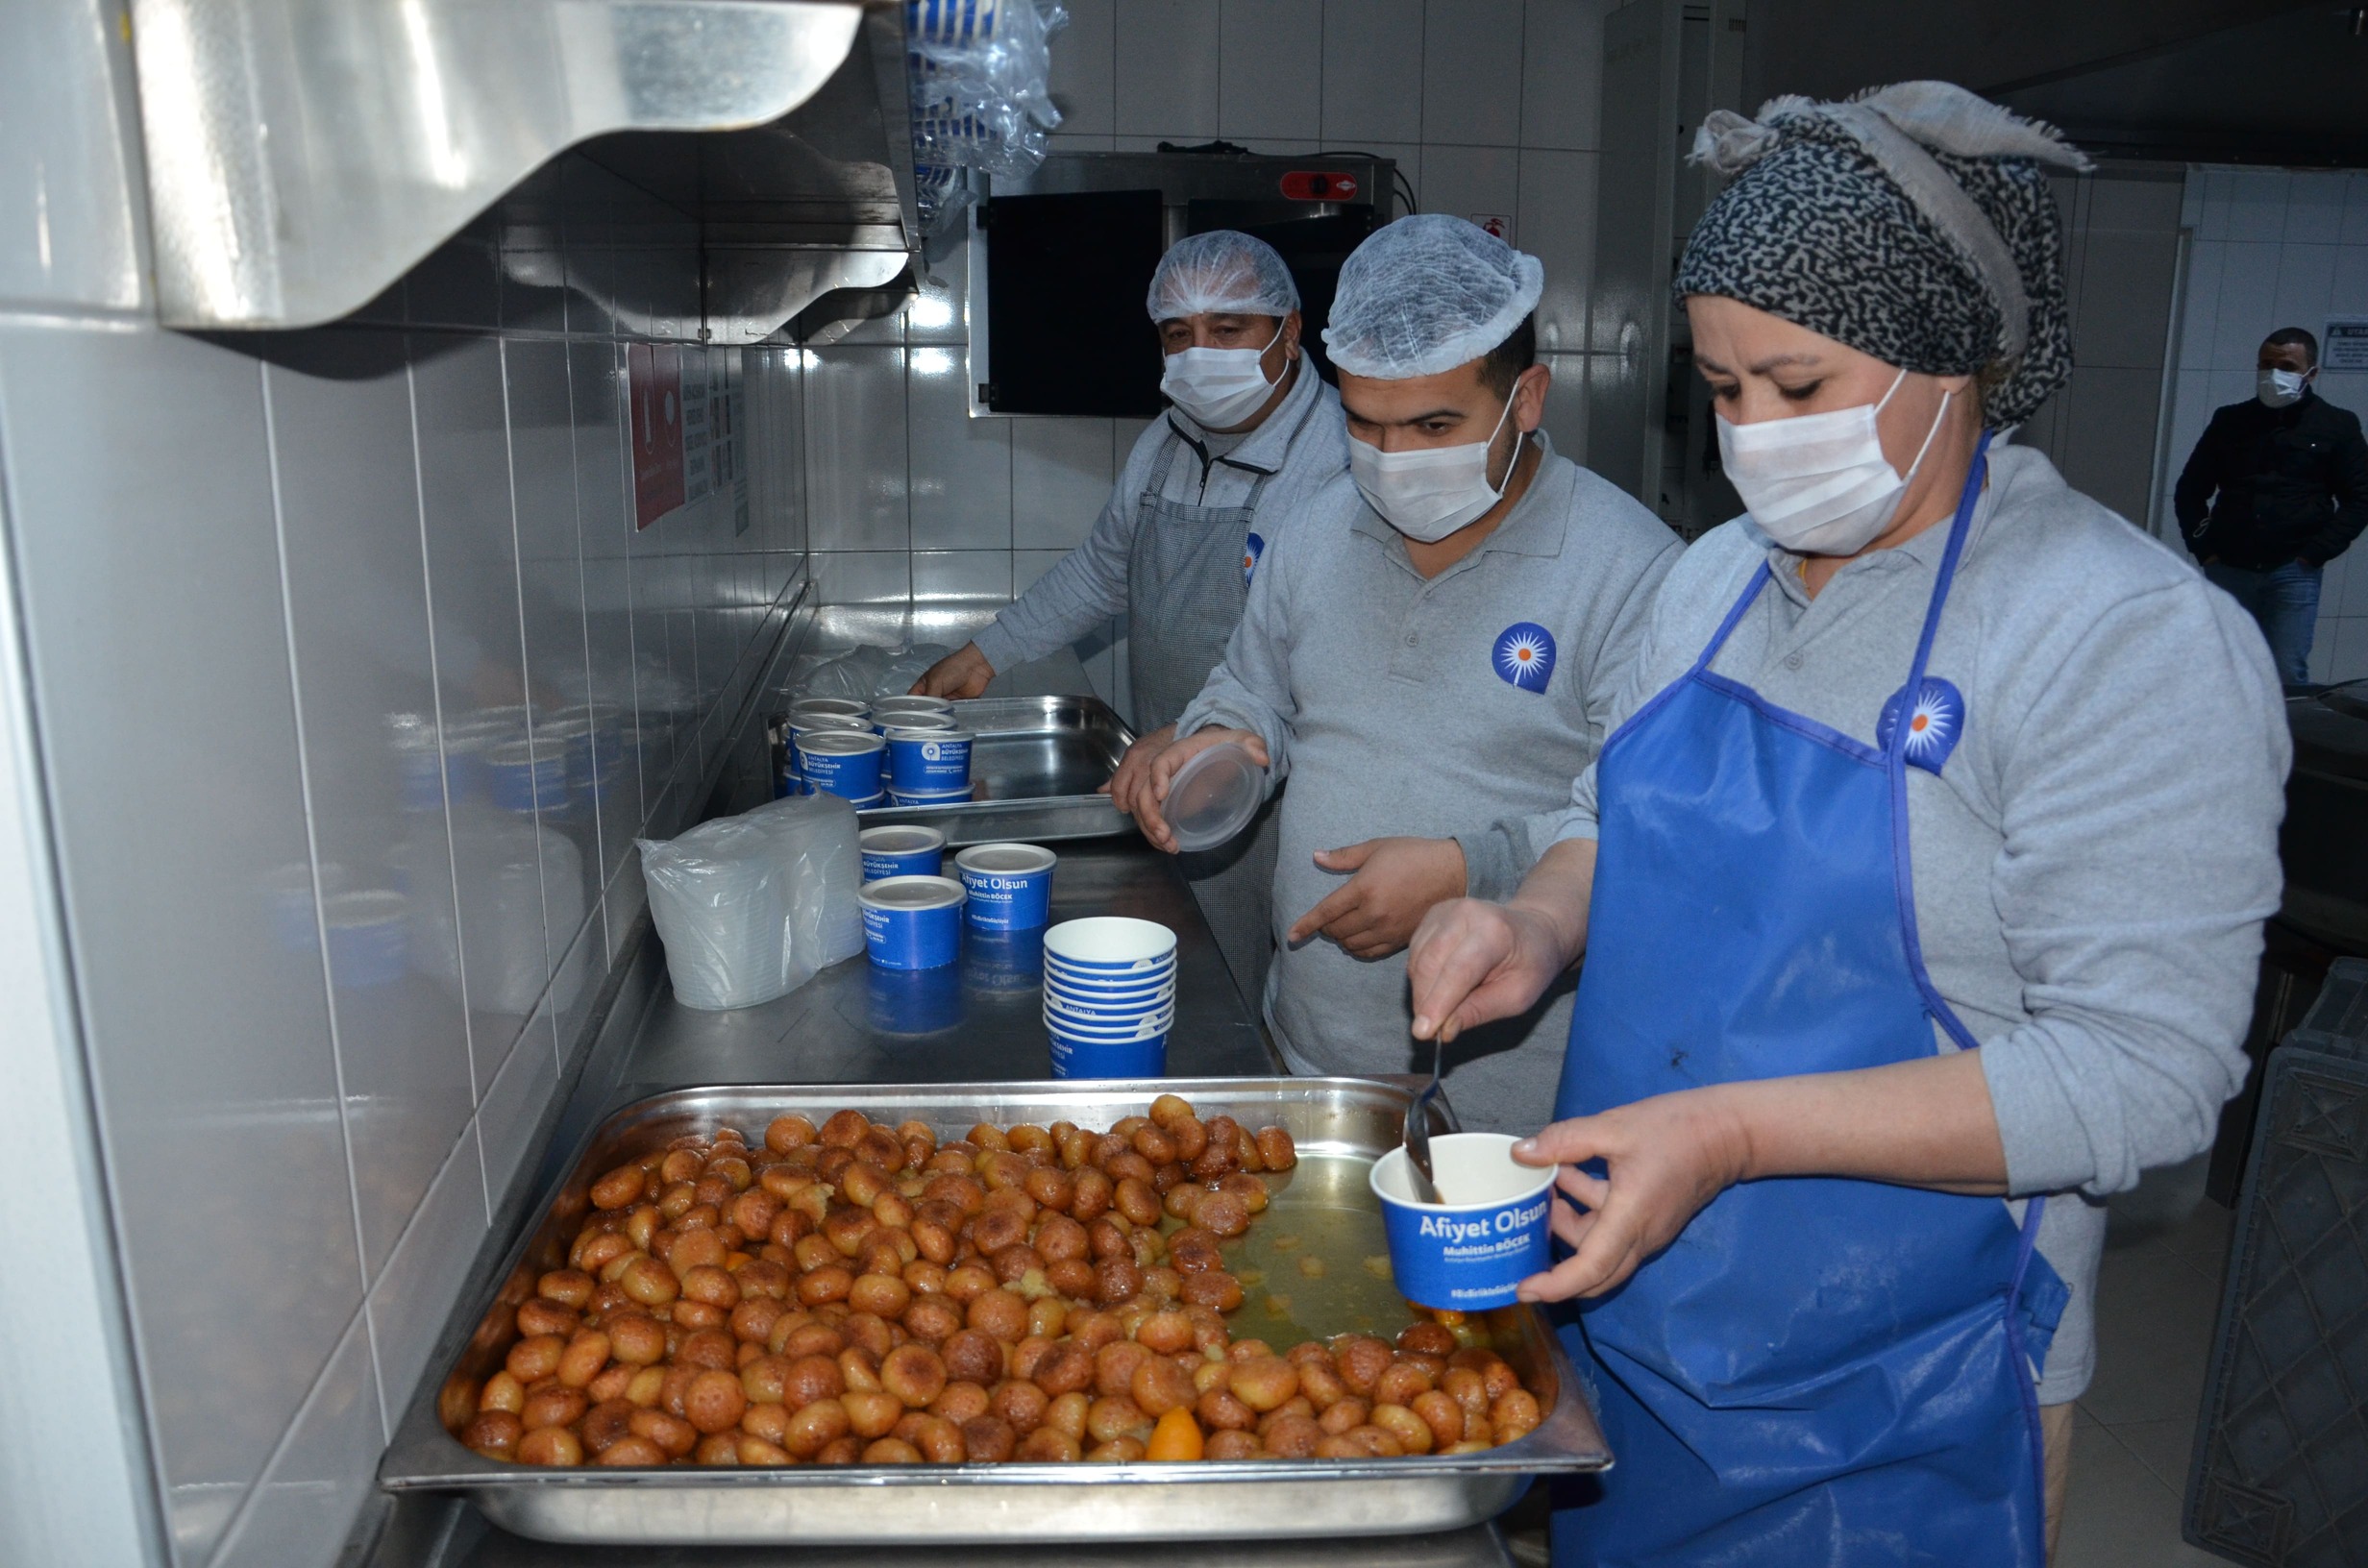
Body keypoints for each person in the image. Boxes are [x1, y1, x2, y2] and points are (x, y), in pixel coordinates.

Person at [1405, 84, 2286, 1566]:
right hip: (1634, 1303)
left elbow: (2143, 1079)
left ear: (1953, 362)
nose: (1752, 437)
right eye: (1723, 388)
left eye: (1798, 388)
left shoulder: (2118, 634)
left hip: (1898, 1385)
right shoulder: (1714, 581)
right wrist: (1539, 918)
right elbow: (1605, 811)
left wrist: (1737, 1133)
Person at [1122, 216, 1678, 1135]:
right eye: (1364, 425)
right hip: (1310, 1058)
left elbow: (1654, 829)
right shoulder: (1320, 526)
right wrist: (1218, 741)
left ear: (1526, 398)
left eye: (1434, 425)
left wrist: (1470, 870)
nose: (1395, 461)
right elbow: (1254, 685)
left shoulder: (1632, 571)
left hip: (1518, 1107)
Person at [913, 231, 1346, 1005]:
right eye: (1179, 335)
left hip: (1290, 791)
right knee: (1202, 977)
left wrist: (1195, 737)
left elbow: (1319, 653)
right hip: (1174, 771)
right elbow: (1103, 569)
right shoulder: (1168, 442)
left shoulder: (1337, 464)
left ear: (1289, 328)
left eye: (1228, 329)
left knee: (1285, 984)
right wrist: (987, 653)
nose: (1200, 353)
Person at [2176, 325, 2368, 688]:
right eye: (2266, 364)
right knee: (2222, 672)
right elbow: (2190, 490)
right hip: (2229, 567)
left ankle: (2285, 745)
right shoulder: (2231, 421)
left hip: (2292, 571)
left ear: (2311, 373)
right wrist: (2204, 548)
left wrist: (2316, 553)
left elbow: (2360, 498)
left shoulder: (2336, 425)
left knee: (2285, 676)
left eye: (2287, 366)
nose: (2274, 374)